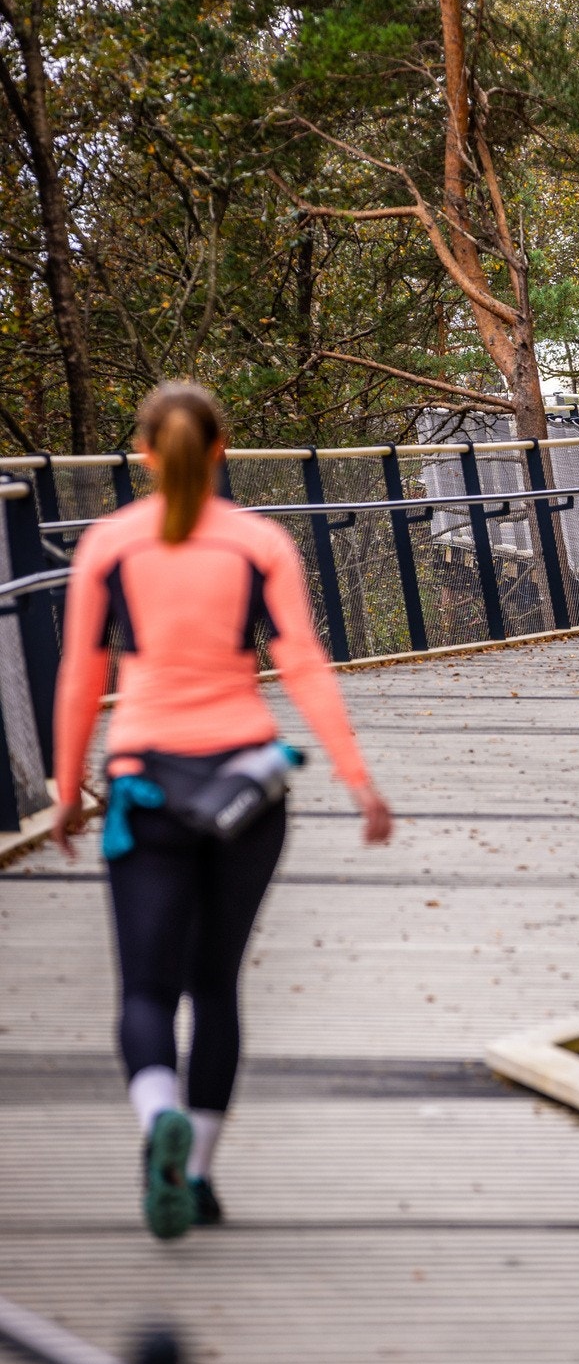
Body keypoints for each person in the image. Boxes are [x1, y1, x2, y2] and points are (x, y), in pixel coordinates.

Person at [51, 382, 393, 1240]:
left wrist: (66, 791)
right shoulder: (258, 543)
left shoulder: (108, 545)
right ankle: (196, 1172)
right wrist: (357, 779)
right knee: (215, 986)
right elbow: (306, 664)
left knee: (146, 989)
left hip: (146, 785)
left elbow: (81, 680)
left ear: (141, 454)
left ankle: (155, 1112)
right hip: (248, 790)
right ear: (221, 450)